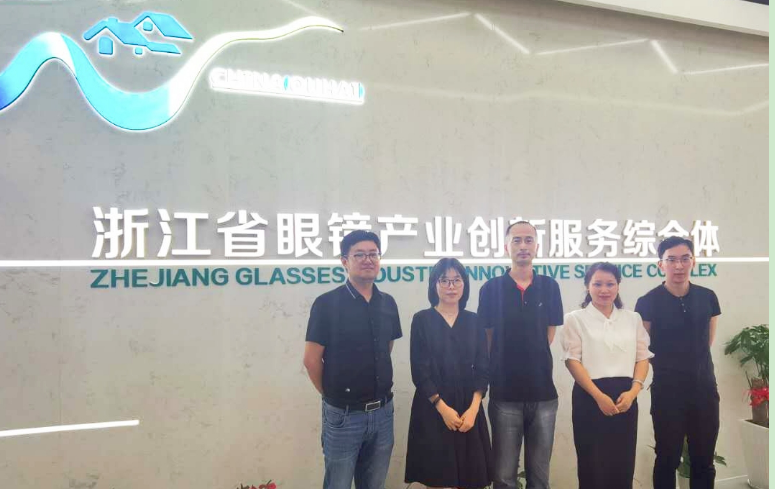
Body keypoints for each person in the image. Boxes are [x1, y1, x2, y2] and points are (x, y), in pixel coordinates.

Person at [303, 230, 402, 489]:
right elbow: (311, 360)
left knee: (374, 485)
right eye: (359, 254)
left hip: (383, 413)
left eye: (373, 254)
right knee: (338, 484)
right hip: (344, 416)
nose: (368, 260)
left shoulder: (388, 303)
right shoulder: (326, 304)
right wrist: (334, 396)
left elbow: (385, 348)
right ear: (344, 261)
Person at [477, 221, 563, 489]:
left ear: (537, 246)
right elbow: (487, 338)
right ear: (506, 247)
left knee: (540, 477)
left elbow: (549, 334)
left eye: (528, 240)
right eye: (516, 240)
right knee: (504, 476)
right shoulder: (491, 289)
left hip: (543, 394)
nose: (523, 246)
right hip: (505, 394)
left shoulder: (550, 286)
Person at [636, 237, 722, 489]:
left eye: (685, 259)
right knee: (667, 458)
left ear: (693, 261)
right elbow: (643, 349)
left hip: (704, 389)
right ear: (660, 264)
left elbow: (707, 342)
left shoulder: (708, 297)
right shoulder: (648, 301)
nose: (679, 265)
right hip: (667, 392)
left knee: (704, 461)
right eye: (671, 259)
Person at [562, 262, 653, 489]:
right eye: (598, 284)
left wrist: (633, 392)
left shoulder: (633, 318)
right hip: (589, 397)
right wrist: (598, 396)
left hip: (625, 397)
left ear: (618, 286)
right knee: (593, 464)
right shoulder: (575, 318)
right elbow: (572, 361)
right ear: (587, 286)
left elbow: (642, 357)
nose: (604, 290)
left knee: (622, 463)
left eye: (610, 284)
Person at [405, 258, 492, 489]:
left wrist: (474, 409)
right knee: (437, 479)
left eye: (456, 280)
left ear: (465, 285)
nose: (451, 286)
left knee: (471, 477)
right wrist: (442, 408)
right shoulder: (422, 320)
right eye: (444, 280)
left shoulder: (474, 320)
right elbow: (419, 371)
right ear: (434, 284)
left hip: (468, 407)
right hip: (433, 406)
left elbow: (483, 368)